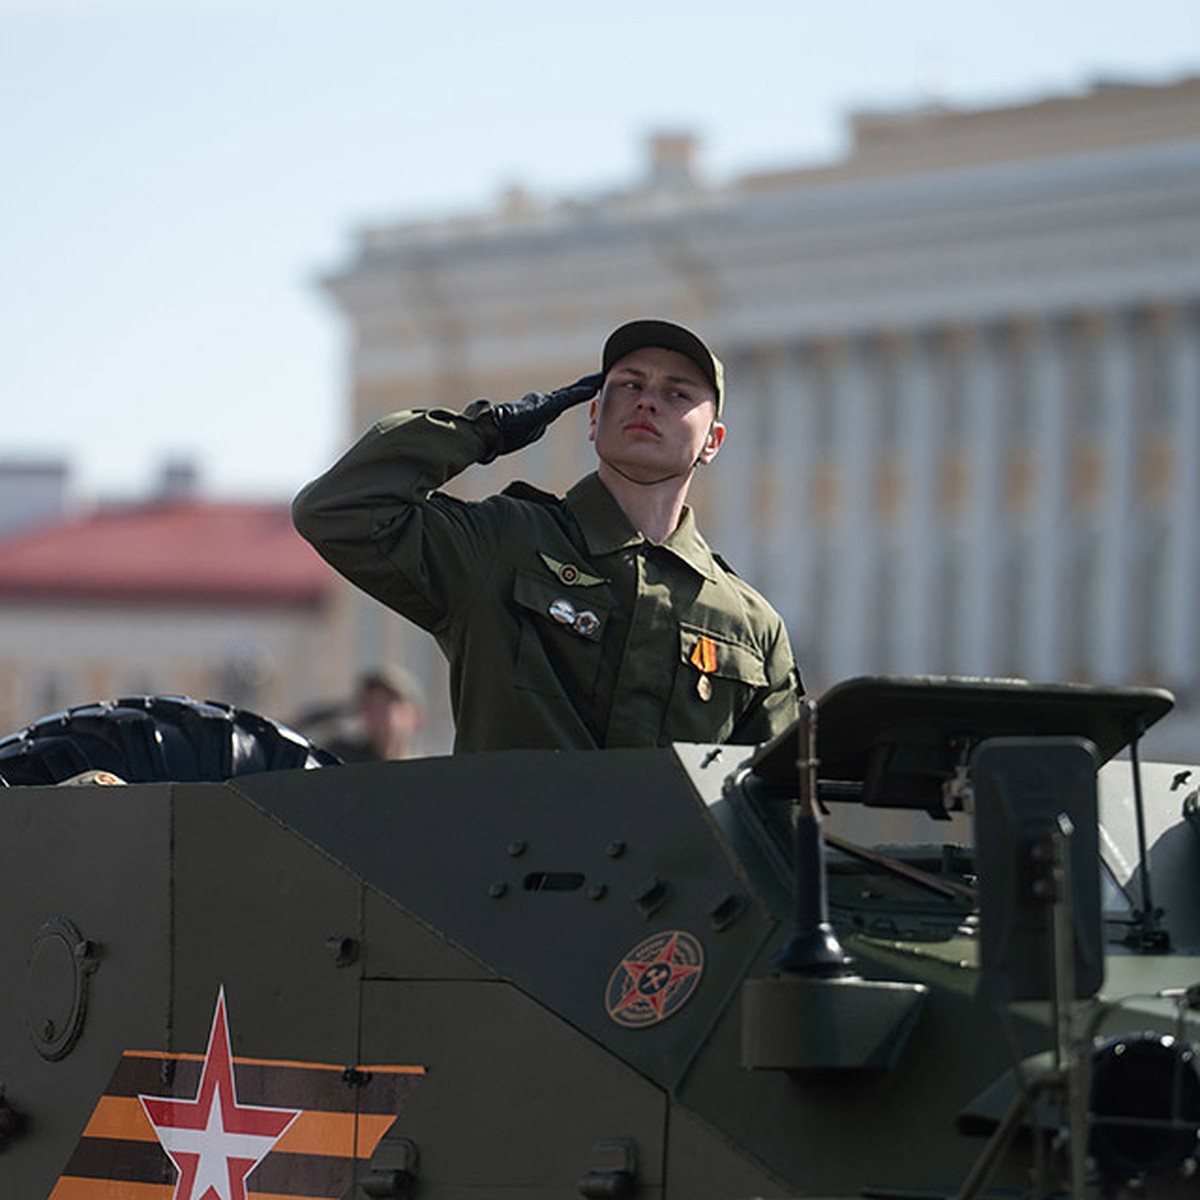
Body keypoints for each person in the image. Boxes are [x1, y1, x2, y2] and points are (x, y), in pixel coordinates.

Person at [293, 318, 802, 753]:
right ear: (594, 415)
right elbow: (336, 510)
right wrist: (487, 430)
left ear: (712, 442)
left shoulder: (749, 627)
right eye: (628, 384)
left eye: (677, 393)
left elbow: (772, 811)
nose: (647, 401)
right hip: (506, 868)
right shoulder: (502, 545)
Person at [323, 665, 425, 763]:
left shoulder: (424, 772)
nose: (376, 714)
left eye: (386, 705)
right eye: (370, 705)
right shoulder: (343, 757)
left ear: (413, 716)